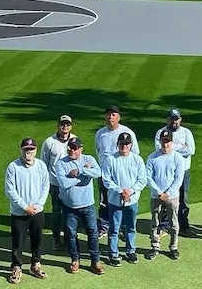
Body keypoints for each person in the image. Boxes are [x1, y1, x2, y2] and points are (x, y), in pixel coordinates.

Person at [52, 136, 105, 275]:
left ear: (81, 149)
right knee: (71, 234)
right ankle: (75, 259)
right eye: (70, 147)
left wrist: (80, 171)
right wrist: (84, 175)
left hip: (87, 205)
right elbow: (64, 183)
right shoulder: (61, 163)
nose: (71, 150)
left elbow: (98, 173)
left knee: (92, 233)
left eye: (75, 148)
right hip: (69, 206)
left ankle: (95, 261)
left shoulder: (89, 159)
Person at [4, 137, 50, 284]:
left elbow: (45, 186)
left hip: (37, 211)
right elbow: (10, 190)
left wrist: (37, 205)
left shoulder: (41, 166)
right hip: (19, 212)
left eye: (30, 150)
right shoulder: (13, 167)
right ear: (21, 150)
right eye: (25, 150)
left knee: (37, 239)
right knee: (18, 241)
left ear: (35, 150)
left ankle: (35, 264)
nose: (28, 153)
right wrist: (25, 207)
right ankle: (17, 267)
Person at [102, 132, 147, 265]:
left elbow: (142, 180)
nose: (124, 146)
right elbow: (106, 180)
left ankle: (130, 251)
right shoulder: (110, 159)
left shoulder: (137, 159)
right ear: (118, 144)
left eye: (127, 144)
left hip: (132, 200)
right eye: (122, 143)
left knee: (131, 226)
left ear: (131, 145)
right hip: (115, 200)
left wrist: (130, 191)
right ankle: (113, 254)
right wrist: (121, 191)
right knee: (114, 228)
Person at [94, 105, 137, 236]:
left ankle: (124, 227)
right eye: (108, 114)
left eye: (113, 114)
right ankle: (105, 225)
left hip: (122, 173)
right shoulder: (100, 133)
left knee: (124, 199)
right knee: (104, 200)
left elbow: (135, 154)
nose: (110, 117)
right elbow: (98, 151)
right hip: (105, 173)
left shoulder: (127, 132)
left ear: (119, 117)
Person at [145, 129, 186, 261]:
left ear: (172, 142)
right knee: (155, 222)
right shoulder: (152, 157)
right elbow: (148, 177)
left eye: (168, 141)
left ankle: (173, 247)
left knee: (173, 222)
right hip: (156, 196)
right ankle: (155, 246)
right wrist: (159, 192)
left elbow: (178, 179)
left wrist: (167, 193)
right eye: (163, 141)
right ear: (160, 141)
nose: (165, 144)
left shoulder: (178, 158)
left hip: (172, 196)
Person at [155, 109, 197, 236]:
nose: (174, 121)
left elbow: (191, 150)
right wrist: (179, 147)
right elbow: (160, 148)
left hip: (183, 172)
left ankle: (184, 226)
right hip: (167, 173)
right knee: (166, 198)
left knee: (183, 199)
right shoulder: (160, 132)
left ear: (180, 119)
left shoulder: (186, 132)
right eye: (172, 118)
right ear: (168, 119)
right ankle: (164, 226)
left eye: (177, 118)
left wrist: (171, 150)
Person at [41, 114, 74, 251]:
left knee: (70, 212)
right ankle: (56, 238)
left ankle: (68, 237)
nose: (65, 126)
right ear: (58, 125)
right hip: (54, 183)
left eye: (67, 124)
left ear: (71, 126)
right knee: (56, 212)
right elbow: (43, 164)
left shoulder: (74, 140)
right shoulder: (49, 142)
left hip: (71, 183)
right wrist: (46, 183)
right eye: (63, 124)